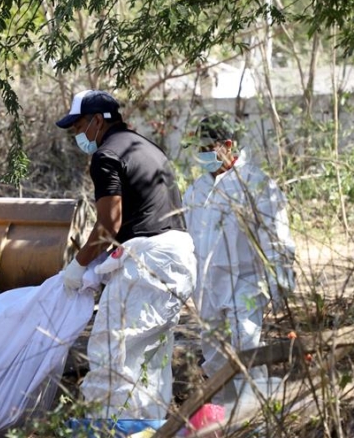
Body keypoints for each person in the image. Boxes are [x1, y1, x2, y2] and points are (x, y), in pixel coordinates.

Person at [56, 90, 194, 420]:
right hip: (179, 255)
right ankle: (149, 426)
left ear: (96, 121)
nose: (77, 136)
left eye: (78, 128)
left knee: (111, 352)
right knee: (151, 358)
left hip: (148, 263)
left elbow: (109, 222)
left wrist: (79, 265)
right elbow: (144, 214)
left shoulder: (106, 155)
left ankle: (110, 427)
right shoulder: (147, 147)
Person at [182, 114, 296, 408]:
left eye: (208, 148)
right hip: (206, 288)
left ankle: (253, 417)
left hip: (244, 285)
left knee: (247, 352)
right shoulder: (196, 189)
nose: (202, 154)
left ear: (228, 145)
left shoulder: (256, 184)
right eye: (199, 148)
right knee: (215, 356)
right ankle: (222, 417)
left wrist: (279, 281)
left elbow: (276, 236)